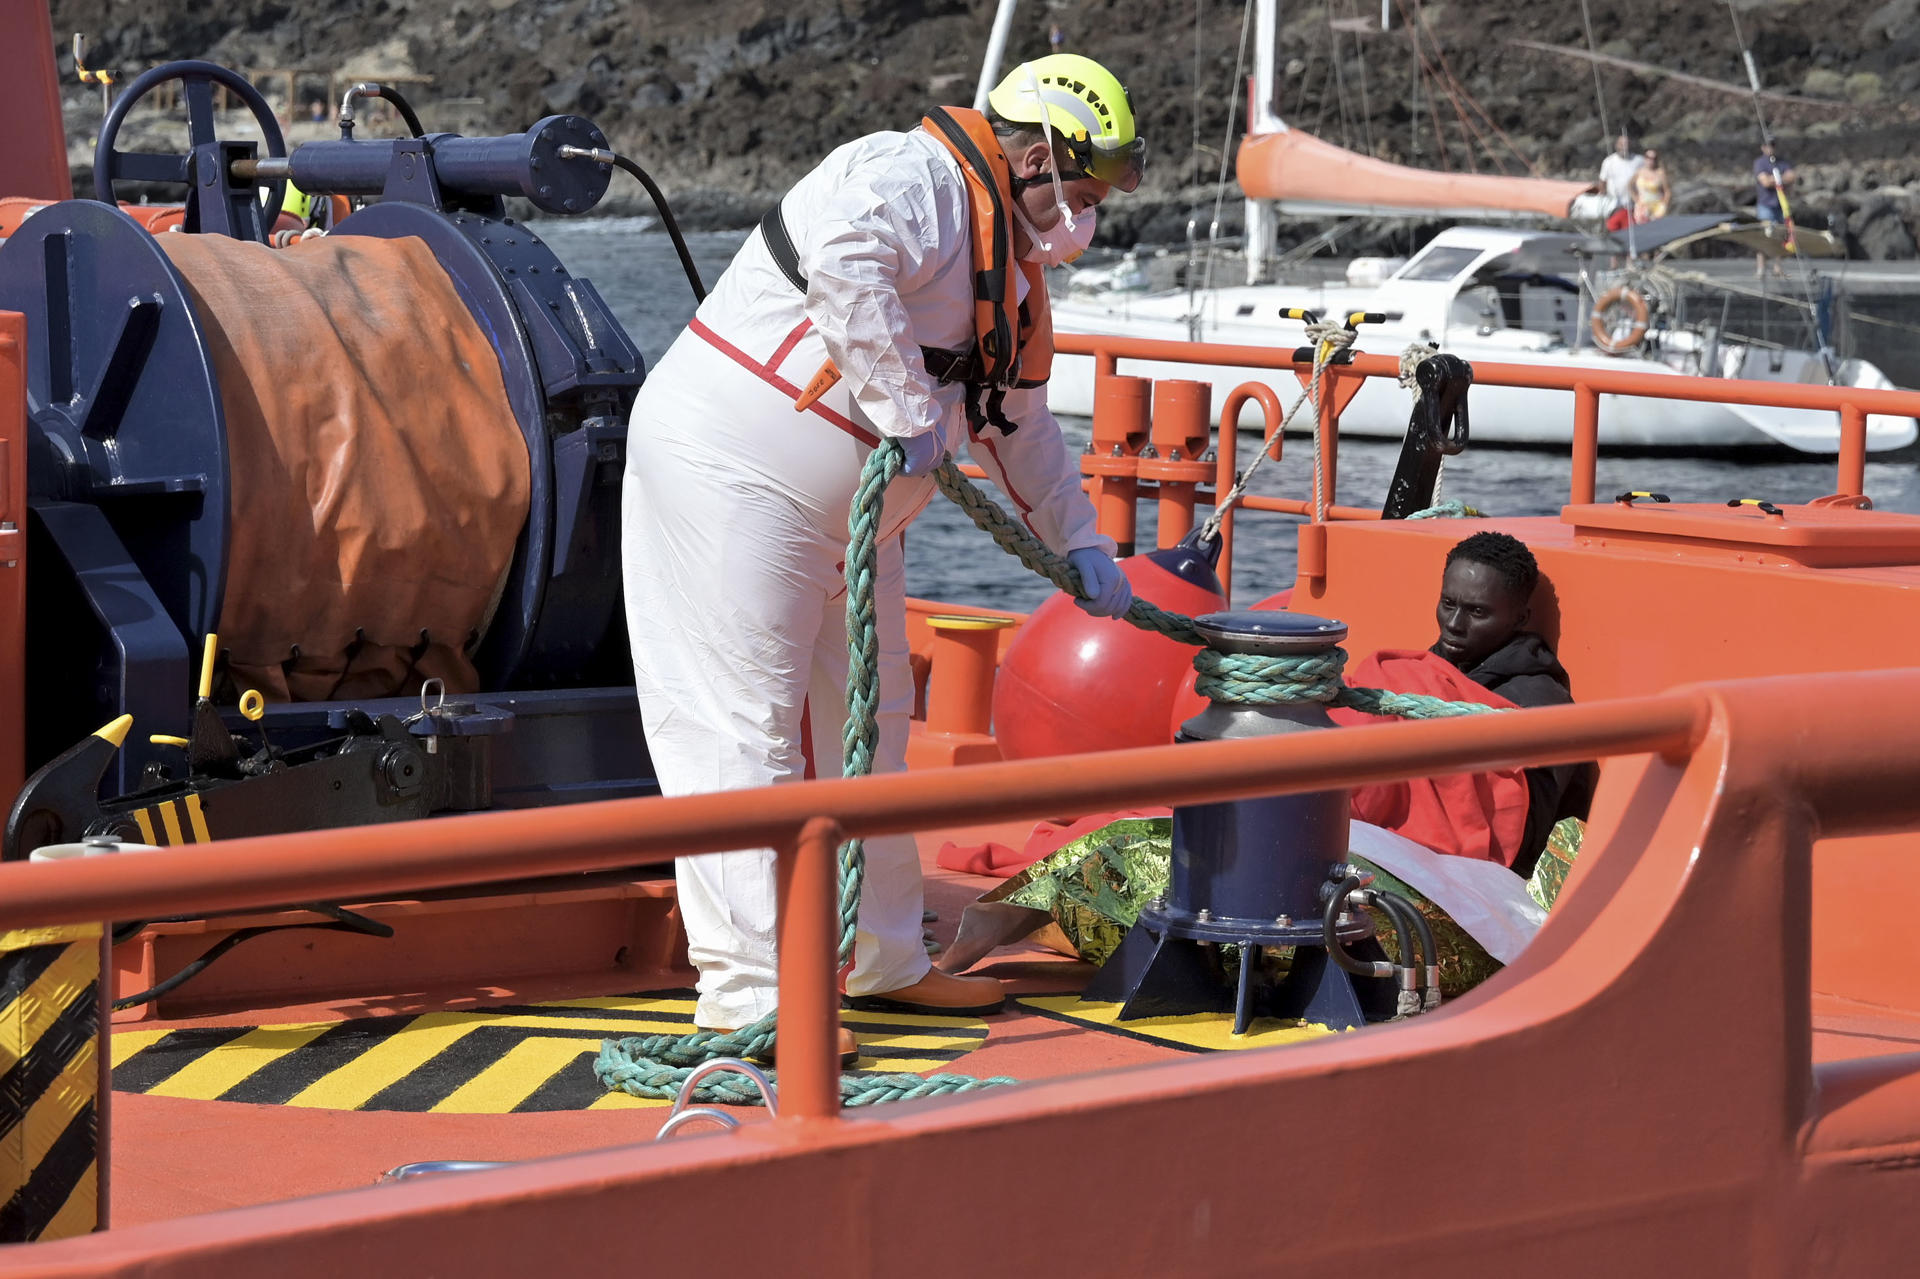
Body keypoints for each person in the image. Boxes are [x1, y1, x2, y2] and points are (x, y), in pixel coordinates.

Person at [621, 55, 1146, 1051]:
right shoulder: (907, 181)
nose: (1085, 217)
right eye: (1079, 191)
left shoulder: (1015, 266)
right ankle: (750, 999)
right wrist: (908, 412)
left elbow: (1021, 423)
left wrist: (1081, 545)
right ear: (1034, 157)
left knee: (873, 732)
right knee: (741, 735)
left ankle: (884, 957)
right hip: (733, 480)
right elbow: (846, 263)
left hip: (854, 519)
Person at [1597, 134, 1642, 233]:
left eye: (1626, 144)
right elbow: (1602, 182)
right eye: (1621, 144)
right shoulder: (1608, 162)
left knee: (1634, 233)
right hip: (1615, 206)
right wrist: (1604, 201)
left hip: (1634, 206)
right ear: (1616, 145)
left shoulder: (1639, 160)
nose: (1624, 147)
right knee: (1613, 231)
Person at [1632, 148, 1670, 223]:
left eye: (1653, 158)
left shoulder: (1660, 172)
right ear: (1645, 158)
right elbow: (1629, 185)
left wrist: (1664, 205)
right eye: (1648, 157)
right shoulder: (1639, 172)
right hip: (1642, 208)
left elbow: (1667, 191)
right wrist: (1636, 199)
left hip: (1657, 208)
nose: (1651, 160)